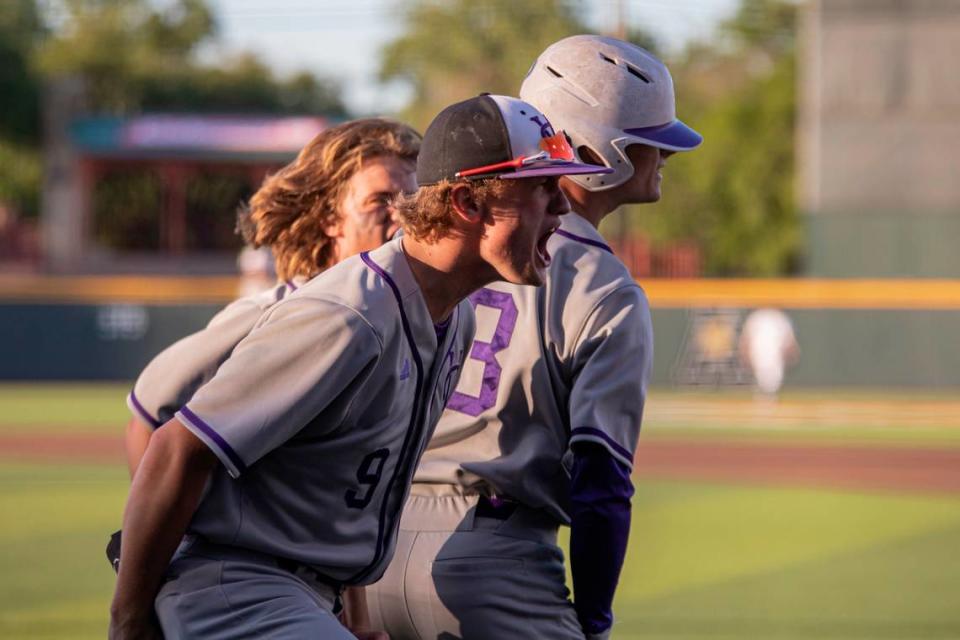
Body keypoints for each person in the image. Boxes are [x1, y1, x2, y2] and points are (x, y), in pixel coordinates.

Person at [107, 94, 610, 640]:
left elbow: (352, 486)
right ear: (467, 201)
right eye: (542, 186)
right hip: (239, 586)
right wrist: (129, 622)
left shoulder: (452, 317)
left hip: (301, 593)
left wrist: (358, 619)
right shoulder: (348, 316)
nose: (562, 208)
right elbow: (175, 446)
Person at [366, 35, 702, 640]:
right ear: (605, 152)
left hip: (373, 548)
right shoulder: (607, 288)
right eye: (652, 140)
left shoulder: (435, 250)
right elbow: (600, 484)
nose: (666, 155)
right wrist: (594, 621)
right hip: (497, 559)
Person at [123, 118, 420, 478]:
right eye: (381, 201)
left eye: (410, 199)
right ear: (330, 218)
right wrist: (167, 533)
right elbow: (150, 412)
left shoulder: (410, 316)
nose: (402, 215)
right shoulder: (273, 312)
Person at [739, 307, 800, 398]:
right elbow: (746, 340)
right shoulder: (756, 317)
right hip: (758, 357)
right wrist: (745, 354)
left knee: (771, 387)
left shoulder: (780, 317)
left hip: (775, 359)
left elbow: (789, 341)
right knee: (764, 388)